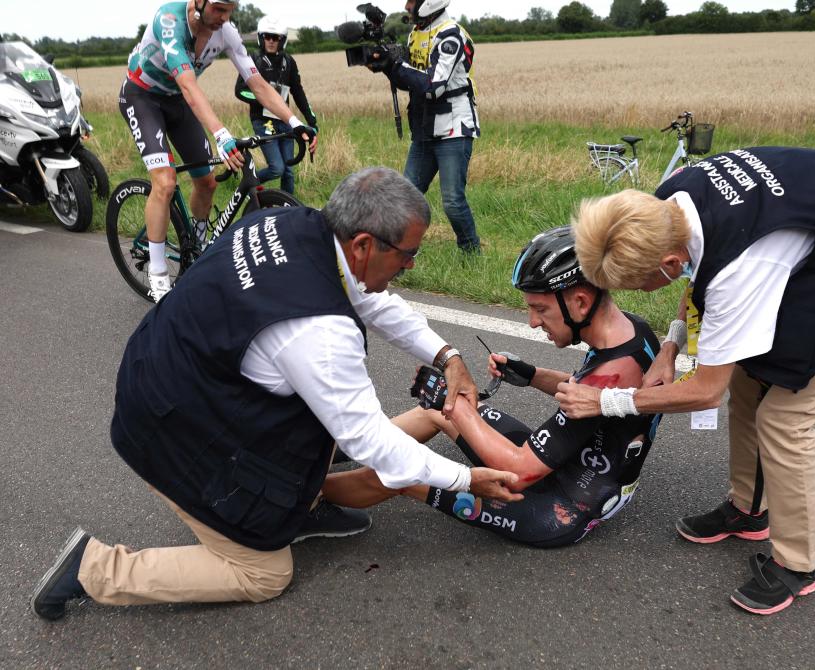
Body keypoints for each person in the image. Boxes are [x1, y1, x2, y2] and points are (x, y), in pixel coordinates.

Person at [30, 167, 522, 621]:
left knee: (314, 417)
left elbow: (373, 301)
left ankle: (297, 506)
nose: (411, 266)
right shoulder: (319, 332)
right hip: (168, 427)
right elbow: (369, 441)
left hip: (169, 372)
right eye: (407, 254)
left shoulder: (297, 224)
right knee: (265, 574)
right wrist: (465, 479)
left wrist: (448, 356)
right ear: (365, 245)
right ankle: (92, 569)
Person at [555, 147, 815, 614]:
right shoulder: (663, 206)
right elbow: (696, 278)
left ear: (669, 261)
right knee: (748, 379)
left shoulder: (741, 268)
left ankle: (799, 565)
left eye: (639, 285)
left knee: (785, 415)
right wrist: (670, 346)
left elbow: (705, 390)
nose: (638, 294)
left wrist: (608, 403)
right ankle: (748, 509)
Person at [317, 226, 663, 547]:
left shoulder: (614, 371)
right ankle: (333, 453)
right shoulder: (631, 331)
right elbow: (586, 393)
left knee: (405, 471)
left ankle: (301, 493)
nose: (531, 323)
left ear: (581, 302)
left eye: (539, 309)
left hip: (558, 508)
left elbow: (518, 471)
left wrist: (450, 403)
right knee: (439, 413)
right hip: (564, 465)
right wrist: (531, 374)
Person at [120, 0, 318, 302]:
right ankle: (158, 275)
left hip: (176, 102)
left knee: (207, 181)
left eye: (230, 10)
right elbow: (188, 86)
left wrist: (294, 122)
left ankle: (196, 248)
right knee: (165, 182)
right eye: (218, 9)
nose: (224, 18)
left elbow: (258, 84)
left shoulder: (226, 31)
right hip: (143, 97)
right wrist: (222, 135)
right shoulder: (170, 21)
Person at [370, 0, 481, 253]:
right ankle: (401, 251)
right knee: (406, 195)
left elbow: (433, 86)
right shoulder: (416, 34)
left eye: (411, 1)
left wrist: (397, 65)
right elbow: (410, 80)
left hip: (454, 127)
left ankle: (471, 251)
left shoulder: (451, 35)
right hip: (423, 127)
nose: (407, 5)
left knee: (452, 201)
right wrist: (387, 66)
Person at [234, 16, 317, 196]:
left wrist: (311, 120)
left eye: (276, 38)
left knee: (288, 169)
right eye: (267, 37)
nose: (271, 41)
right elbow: (240, 90)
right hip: (263, 121)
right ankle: (246, 188)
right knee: (276, 168)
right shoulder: (253, 59)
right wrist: (266, 100)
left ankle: (288, 207)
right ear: (261, 38)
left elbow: (298, 92)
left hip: (284, 119)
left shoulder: (289, 62)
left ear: (282, 40)